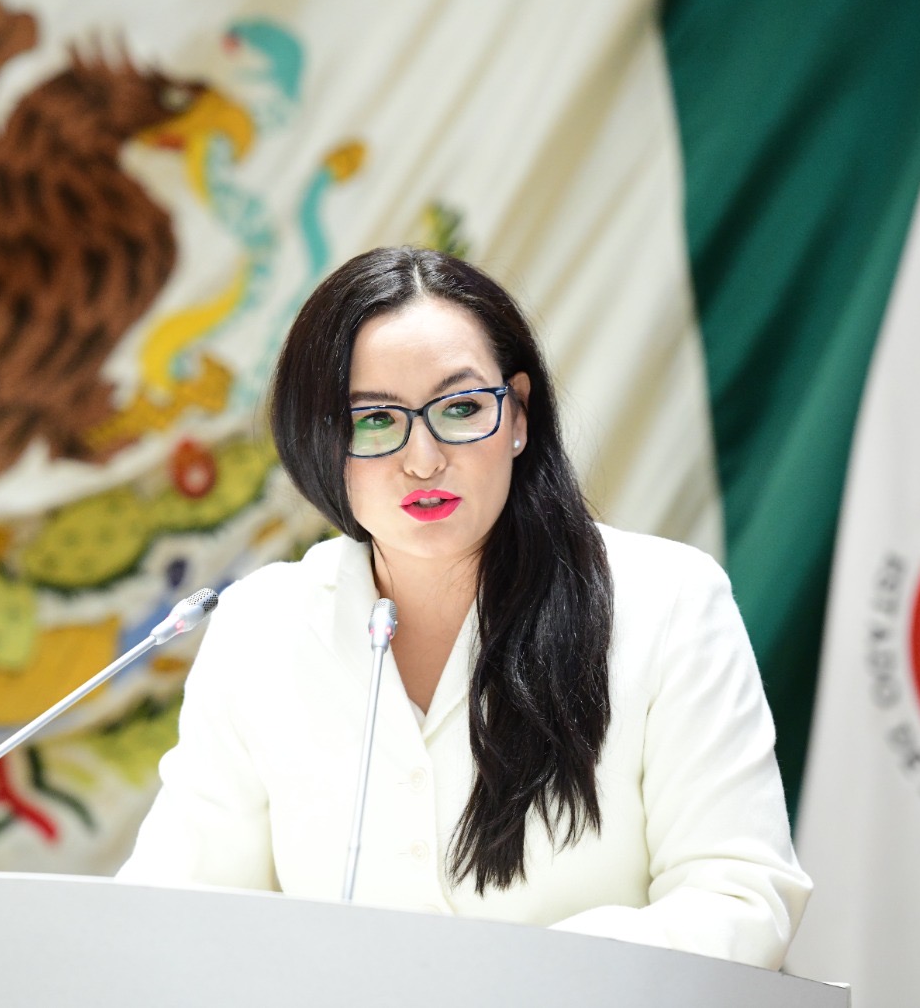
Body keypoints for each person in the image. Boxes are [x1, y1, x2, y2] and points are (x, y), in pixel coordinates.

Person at [118, 246, 810, 968]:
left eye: (461, 408)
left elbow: (740, 898)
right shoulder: (263, 628)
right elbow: (175, 913)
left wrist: (506, 984)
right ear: (321, 439)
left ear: (518, 416)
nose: (423, 459)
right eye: (374, 419)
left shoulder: (668, 601)